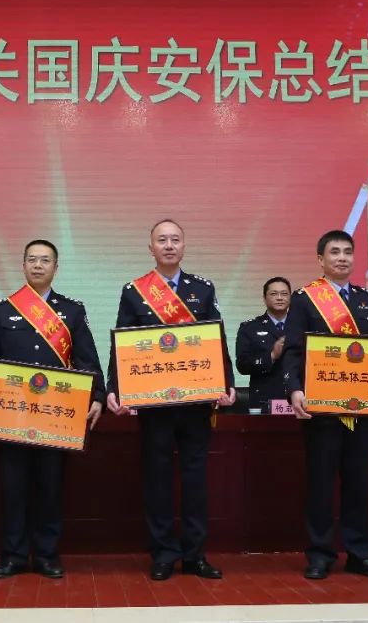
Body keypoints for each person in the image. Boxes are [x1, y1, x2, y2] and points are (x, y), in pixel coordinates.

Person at [106, 219, 236, 581]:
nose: (168, 245)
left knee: (195, 481)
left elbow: (216, 338)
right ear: (150, 248)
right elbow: (122, 343)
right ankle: (163, 554)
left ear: (184, 246)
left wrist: (227, 382)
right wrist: (116, 386)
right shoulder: (134, 291)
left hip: (196, 402)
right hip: (154, 405)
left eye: (175, 239)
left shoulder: (203, 289)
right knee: (158, 480)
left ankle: (195, 555)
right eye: (161, 240)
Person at [0, 239, 105, 580]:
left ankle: (46, 555)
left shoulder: (72, 311)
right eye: (32, 260)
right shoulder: (3, 310)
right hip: (10, 414)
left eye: (45, 260)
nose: (38, 265)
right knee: (12, 488)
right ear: (23, 265)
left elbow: (87, 358)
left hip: (55, 417)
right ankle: (13, 556)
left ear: (56, 267)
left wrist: (98, 396)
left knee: (50, 487)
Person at [282, 229, 368, 581]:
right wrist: (294, 389)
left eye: (347, 252)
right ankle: (320, 554)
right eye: (334, 252)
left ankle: (360, 553)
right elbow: (293, 351)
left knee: (359, 484)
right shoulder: (305, 300)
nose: (342, 258)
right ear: (321, 259)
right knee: (321, 485)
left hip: (363, 408)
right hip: (321, 410)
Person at [236, 276, 291, 410]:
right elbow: (242, 365)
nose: (279, 298)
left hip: (297, 399)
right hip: (264, 400)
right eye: (274, 294)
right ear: (264, 298)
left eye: (284, 294)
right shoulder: (249, 328)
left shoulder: (302, 326)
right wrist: (271, 356)